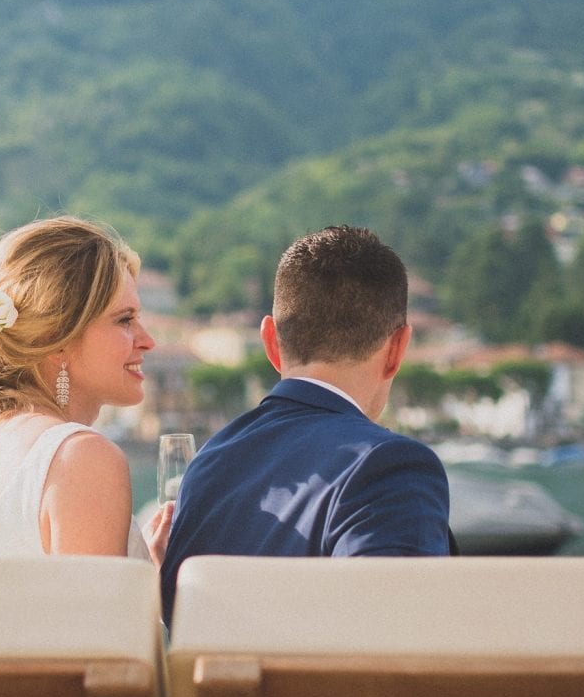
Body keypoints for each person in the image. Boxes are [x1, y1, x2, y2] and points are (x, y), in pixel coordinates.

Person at [159, 224, 451, 617]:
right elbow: (397, 635)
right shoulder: (392, 467)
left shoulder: (207, 465)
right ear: (398, 348)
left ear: (270, 341)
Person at [0, 216, 173, 560]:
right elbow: (95, 600)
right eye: (125, 320)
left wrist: (147, 577)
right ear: (58, 338)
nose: (147, 340)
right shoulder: (79, 457)